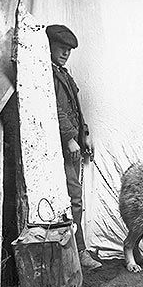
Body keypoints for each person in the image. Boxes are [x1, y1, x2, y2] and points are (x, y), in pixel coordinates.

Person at [46, 24, 102, 270]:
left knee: (75, 200)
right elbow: (55, 109)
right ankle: (78, 253)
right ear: (49, 46)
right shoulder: (46, 75)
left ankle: (75, 252)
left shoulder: (64, 75)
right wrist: (70, 136)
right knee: (73, 200)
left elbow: (75, 110)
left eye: (69, 49)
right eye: (61, 47)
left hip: (72, 147)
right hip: (60, 148)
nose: (66, 53)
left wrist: (85, 133)